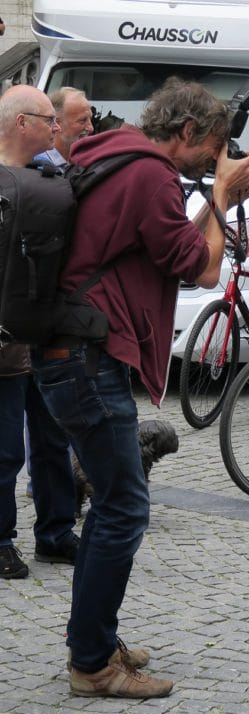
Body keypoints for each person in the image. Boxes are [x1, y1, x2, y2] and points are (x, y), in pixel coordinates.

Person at [31, 78, 249, 698]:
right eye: (210, 149)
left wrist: (213, 192)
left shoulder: (105, 149)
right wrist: (220, 195)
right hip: (87, 356)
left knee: (110, 501)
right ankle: (93, 664)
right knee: (124, 506)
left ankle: (93, 641)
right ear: (186, 134)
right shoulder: (152, 174)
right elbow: (204, 266)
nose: (213, 159)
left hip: (65, 348)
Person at [0, 86, 79, 581]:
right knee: (6, 448)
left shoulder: (53, 175)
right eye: (50, 120)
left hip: (45, 334)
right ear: (22, 122)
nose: (57, 129)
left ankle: (56, 533)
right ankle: (2, 540)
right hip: (6, 343)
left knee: (53, 439)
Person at [36, 86, 93, 168]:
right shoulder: (38, 167)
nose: (91, 128)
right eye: (82, 120)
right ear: (57, 124)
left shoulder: (80, 162)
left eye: (90, 119)